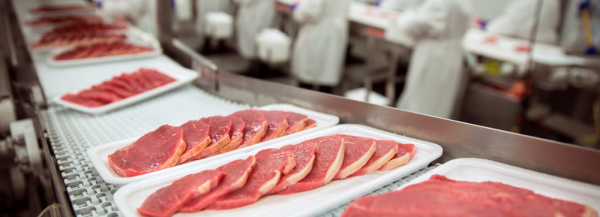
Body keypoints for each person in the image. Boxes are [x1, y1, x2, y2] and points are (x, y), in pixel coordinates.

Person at [388, 0, 472, 119]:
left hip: (433, 54)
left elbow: (416, 24)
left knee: (421, 101)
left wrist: (405, 17)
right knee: (440, 103)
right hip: (453, 53)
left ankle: (414, 131)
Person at [291, 0, 350, 91]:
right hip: (334, 35)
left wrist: (296, 7)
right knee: (326, 79)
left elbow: (306, 13)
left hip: (317, 34)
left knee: (307, 81)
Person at [486, 0, 561, 44]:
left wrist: (487, 25)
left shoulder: (528, 2)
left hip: (527, 46)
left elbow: (498, 28)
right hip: (546, 44)